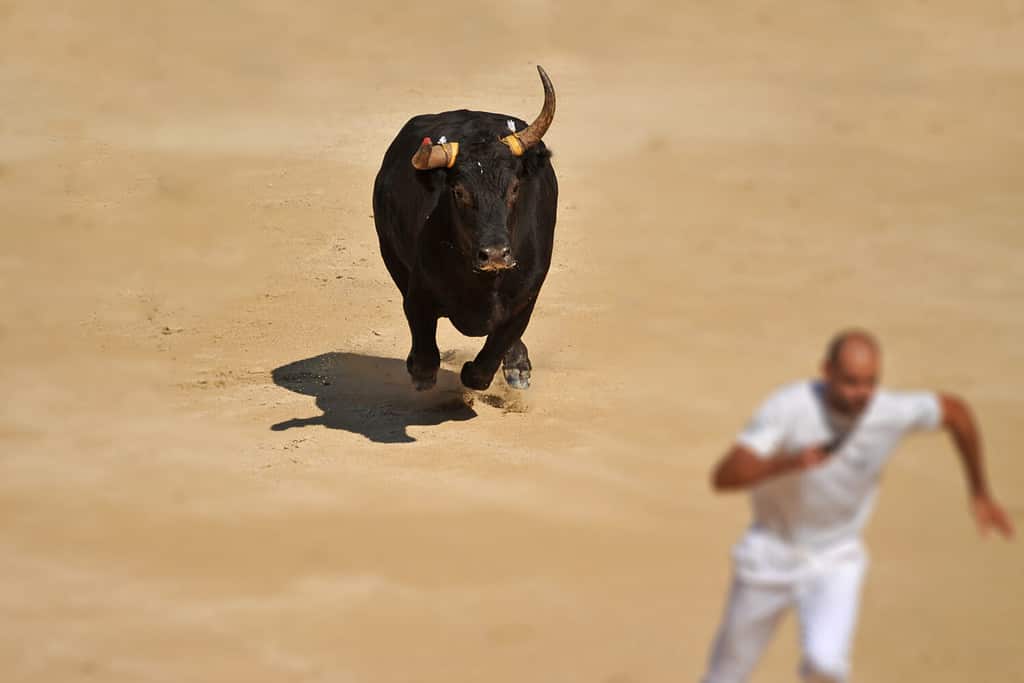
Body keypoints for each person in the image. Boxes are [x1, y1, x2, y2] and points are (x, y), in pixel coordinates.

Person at [701, 329, 1013, 683]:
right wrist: (788, 463)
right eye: (851, 382)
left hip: (837, 556)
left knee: (827, 666)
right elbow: (723, 476)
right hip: (770, 552)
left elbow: (956, 412)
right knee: (727, 674)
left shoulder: (889, 411)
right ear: (826, 371)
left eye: (870, 382)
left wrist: (979, 490)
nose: (861, 394)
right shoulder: (788, 406)